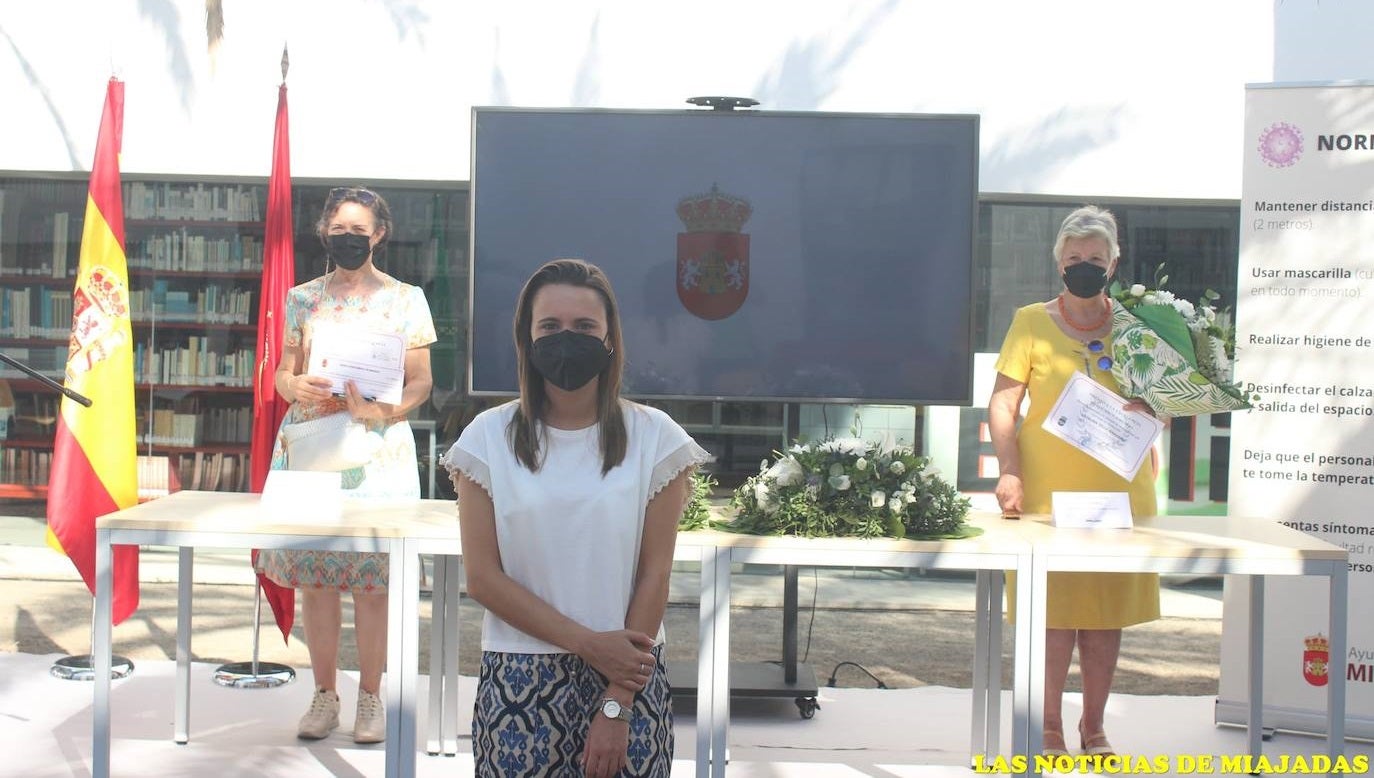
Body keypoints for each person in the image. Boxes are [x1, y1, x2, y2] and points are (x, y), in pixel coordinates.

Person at [441, 258, 710, 777]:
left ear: (610, 339)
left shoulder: (657, 439)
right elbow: (483, 578)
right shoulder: (485, 439)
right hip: (518, 677)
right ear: (527, 337)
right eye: (550, 327)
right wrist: (588, 644)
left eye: (585, 327)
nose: (567, 339)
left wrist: (616, 700)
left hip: (628, 676)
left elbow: (655, 575)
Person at [257, 186, 436, 743]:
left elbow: (423, 382)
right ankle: (323, 695)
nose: (349, 239)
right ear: (324, 233)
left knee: (373, 581)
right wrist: (295, 383)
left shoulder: (407, 299)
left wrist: (386, 408)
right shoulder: (301, 299)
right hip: (312, 441)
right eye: (340, 230)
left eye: (360, 231)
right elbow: (282, 376)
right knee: (315, 577)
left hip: (377, 446)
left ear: (379, 234)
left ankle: (372, 699)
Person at [987, 205, 1158, 759]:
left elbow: (1169, 402)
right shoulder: (1030, 321)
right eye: (1074, 258)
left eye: (1095, 259)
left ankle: (1095, 727)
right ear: (1059, 261)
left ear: (1114, 262)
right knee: (1054, 615)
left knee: (1105, 616)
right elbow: (1004, 403)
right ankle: (1050, 726)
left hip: (1121, 490)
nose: (1084, 265)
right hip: (1047, 491)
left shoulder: (1140, 325)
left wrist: (1155, 406)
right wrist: (1008, 468)